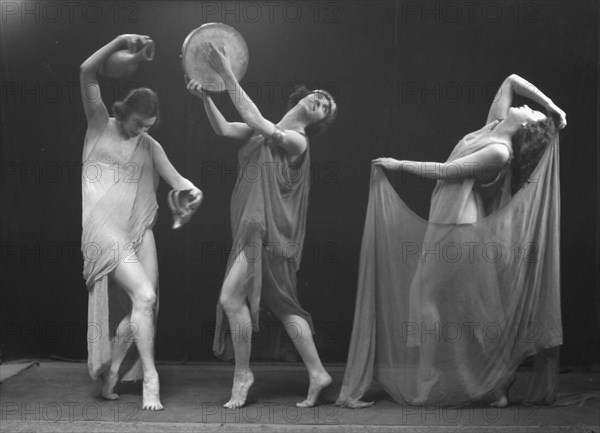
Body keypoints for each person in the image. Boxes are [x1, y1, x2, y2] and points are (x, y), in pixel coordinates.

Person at [337, 74, 566, 408]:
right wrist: (551, 107)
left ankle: (432, 375)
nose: (528, 108)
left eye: (534, 115)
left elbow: (447, 171)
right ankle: (497, 383)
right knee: (471, 307)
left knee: (425, 293)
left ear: (527, 130)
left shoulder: (499, 152)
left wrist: (398, 164)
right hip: (448, 221)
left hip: (457, 228)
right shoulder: (495, 126)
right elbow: (510, 82)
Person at [187, 42, 338, 409]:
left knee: (229, 297)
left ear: (318, 122)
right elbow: (225, 128)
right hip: (256, 226)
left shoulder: (296, 140)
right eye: (319, 96)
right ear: (302, 98)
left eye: (325, 106)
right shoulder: (263, 131)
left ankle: (243, 374)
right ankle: (318, 373)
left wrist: (226, 74)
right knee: (285, 307)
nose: (320, 100)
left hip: (266, 230)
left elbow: (255, 119)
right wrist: (206, 97)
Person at [80, 34, 202, 411]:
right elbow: (87, 71)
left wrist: (193, 195)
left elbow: (183, 183)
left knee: (145, 306)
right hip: (103, 230)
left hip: (137, 229)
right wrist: (119, 40)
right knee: (145, 296)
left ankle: (112, 371)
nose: (142, 131)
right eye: (137, 124)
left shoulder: (150, 145)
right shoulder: (100, 123)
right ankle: (151, 377)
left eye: (148, 125)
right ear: (123, 112)